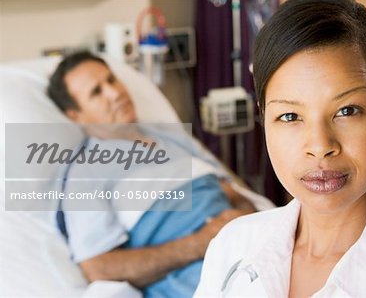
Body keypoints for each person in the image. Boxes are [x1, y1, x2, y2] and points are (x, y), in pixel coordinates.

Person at [194, 0, 366, 297]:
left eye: (347, 111)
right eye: (290, 116)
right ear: (264, 119)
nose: (319, 146)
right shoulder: (232, 246)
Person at [46, 51, 261, 298]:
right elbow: (98, 267)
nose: (115, 93)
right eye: (96, 92)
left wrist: (245, 224)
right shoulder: (85, 173)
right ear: (76, 116)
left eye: (112, 80)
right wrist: (200, 244)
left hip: (248, 250)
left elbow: (233, 191)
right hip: (198, 278)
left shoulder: (172, 137)